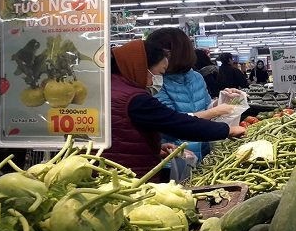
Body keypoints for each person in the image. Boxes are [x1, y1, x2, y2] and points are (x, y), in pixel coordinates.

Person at [103, 39, 246, 180]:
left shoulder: (112, 88)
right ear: (141, 67)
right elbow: (177, 123)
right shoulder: (133, 98)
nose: (157, 80)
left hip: (115, 170)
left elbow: (121, 133)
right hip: (126, 176)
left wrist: (154, 148)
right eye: (159, 73)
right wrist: (227, 130)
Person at [147, 27, 237, 161]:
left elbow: (206, 106)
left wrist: (221, 101)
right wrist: (215, 112)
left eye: (161, 52)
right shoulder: (156, 81)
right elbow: (170, 123)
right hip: (173, 157)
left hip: (203, 151)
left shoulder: (196, 77)